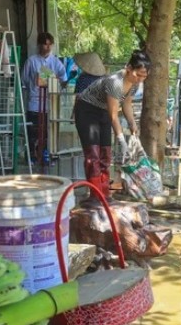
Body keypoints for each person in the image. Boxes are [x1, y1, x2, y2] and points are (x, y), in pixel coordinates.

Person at [73, 50, 151, 201]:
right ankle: (95, 195)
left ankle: (104, 193)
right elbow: (114, 116)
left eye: (144, 76)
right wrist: (121, 140)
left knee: (106, 155)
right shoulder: (115, 82)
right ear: (129, 68)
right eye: (138, 74)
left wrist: (132, 124)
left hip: (103, 112)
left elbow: (126, 104)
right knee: (93, 155)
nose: (140, 79)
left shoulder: (134, 84)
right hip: (87, 110)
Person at [23, 32, 68, 165]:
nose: (47, 47)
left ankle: (46, 155)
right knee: (33, 130)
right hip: (34, 102)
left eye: (50, 44)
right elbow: (24, 80)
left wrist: (54, 80)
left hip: (50, 102)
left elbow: (64, 79)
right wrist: (34, 87)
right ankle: (31, 155)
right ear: (39, 45)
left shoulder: (55, 62)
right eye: (45, 44)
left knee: (48, 131)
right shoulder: (31, 61)